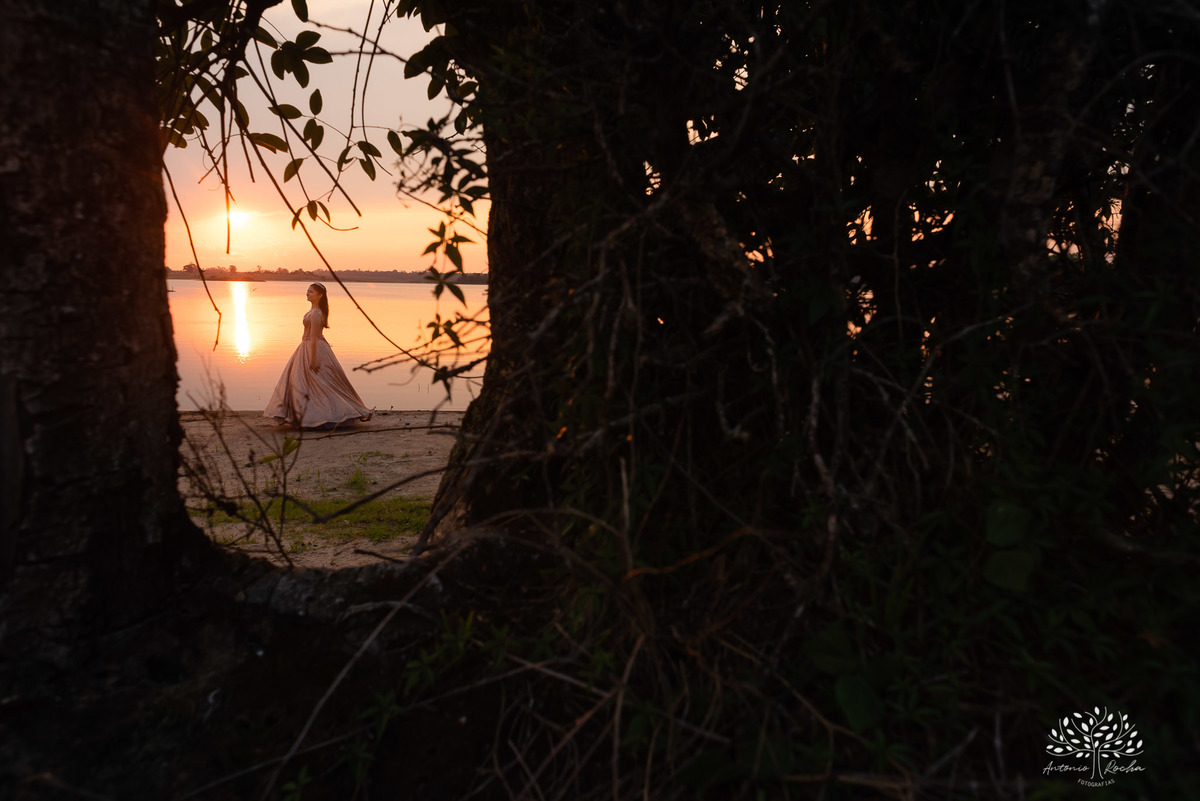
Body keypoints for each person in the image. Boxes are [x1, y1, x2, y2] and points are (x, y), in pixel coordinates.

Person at [264, 283, 373, 428]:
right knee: (301, 382)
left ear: (320, 295)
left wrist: (313, 359)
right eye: (307, 291)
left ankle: (327, 414)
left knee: (319, 382)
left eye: (311, 292)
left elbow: (314, 338)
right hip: (305, 347)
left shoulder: (316, 314)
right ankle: (303, 415)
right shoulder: (313, 311)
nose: (307, 294)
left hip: (313, 348)